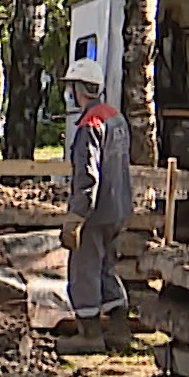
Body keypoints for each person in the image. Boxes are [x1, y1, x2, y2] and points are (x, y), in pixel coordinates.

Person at [58, 57, 135, 355]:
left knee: (84, 272)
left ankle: (89, 335)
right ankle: (120, 330)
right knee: (106, 269)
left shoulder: (89, 125)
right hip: (118, 209)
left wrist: (76, 217)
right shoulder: (116, 119)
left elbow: (87, 176)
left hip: (96, 212)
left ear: (79, 89)